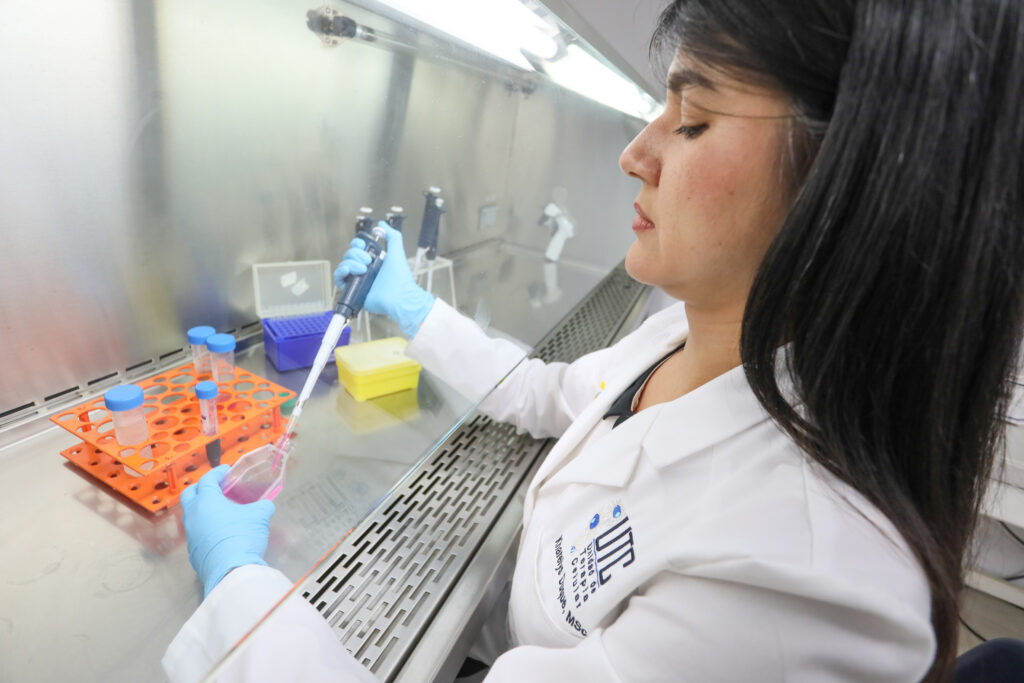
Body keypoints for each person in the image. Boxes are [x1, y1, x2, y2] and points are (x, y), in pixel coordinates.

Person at [163, 0, 1024, 681]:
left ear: (850, 183)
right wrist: (414, 308)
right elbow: (543, 393)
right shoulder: (684, 334)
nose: (636, 153)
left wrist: (240, 594)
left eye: (693, 119)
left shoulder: (798, 584)